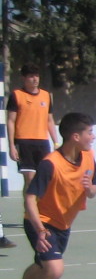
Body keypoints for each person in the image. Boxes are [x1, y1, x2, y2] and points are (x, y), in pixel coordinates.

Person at [4, 113, 96, 279]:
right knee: (55, 269)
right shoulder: (51, 164)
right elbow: (30, 199)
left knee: (42, 266)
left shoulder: (88, 156)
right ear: (75, 136)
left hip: (64, 224)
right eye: (90, 132)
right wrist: (40, 231)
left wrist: (90, 190)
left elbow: (94, 190)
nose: (93, 137)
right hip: (40, 222)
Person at [6, 63, 60, 192]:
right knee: (30, 179)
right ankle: (28, 211)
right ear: (24, 78)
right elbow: (11, 121)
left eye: (36, 76)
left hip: (42, 142)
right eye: (31, 76)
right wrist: (12, 146)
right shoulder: (16, 95)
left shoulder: (46, 96)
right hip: (24, 142)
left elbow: (50, 120)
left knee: (44, 179)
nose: (35, 79)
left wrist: (56, 142)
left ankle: (39, 210)